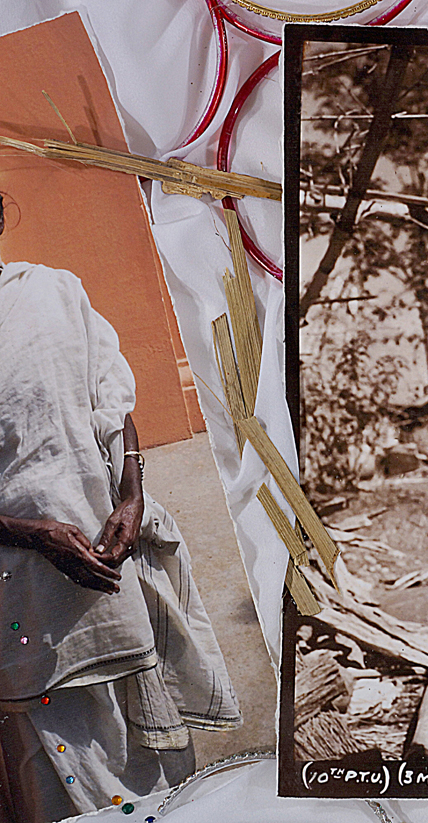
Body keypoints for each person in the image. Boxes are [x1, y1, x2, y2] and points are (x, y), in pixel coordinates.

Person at [0, 198, 241, 822]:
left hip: (109, 567)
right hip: (21, 596)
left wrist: (130, 496)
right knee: (54, 758)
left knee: (150, 754)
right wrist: (32, 533)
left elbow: (115, 399)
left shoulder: (52, 291)